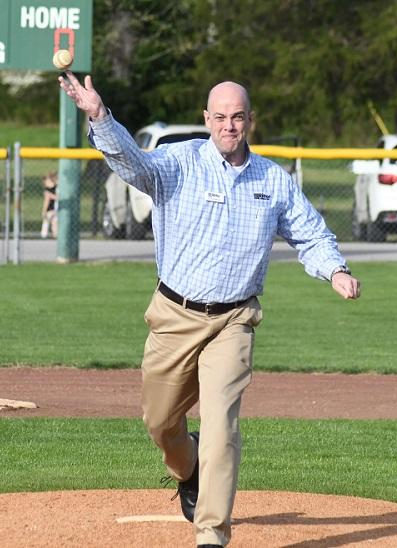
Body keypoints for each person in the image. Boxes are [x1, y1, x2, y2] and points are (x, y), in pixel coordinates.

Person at [59, 73, 361, 547]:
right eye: (219, 116)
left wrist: (334, 270)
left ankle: (212, 534)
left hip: (234, 320)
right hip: (174, 315)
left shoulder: (273, 180)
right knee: (160, 424)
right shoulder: (179, 162)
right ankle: (187, 466)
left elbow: (312, 233)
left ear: (250, 121)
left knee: (222, 425)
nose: (229, 125)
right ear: (206, 119)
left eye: (238, 116)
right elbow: (132, 164)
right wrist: (99, 115)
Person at [40, 171, 58, 238]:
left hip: (52, 209)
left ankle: (45, 235)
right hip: (52, 209)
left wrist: (44, 211)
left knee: (50, 222)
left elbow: (46, 201)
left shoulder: (53, 189)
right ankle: (54, 234)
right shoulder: (49, 190)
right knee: (51, 222)